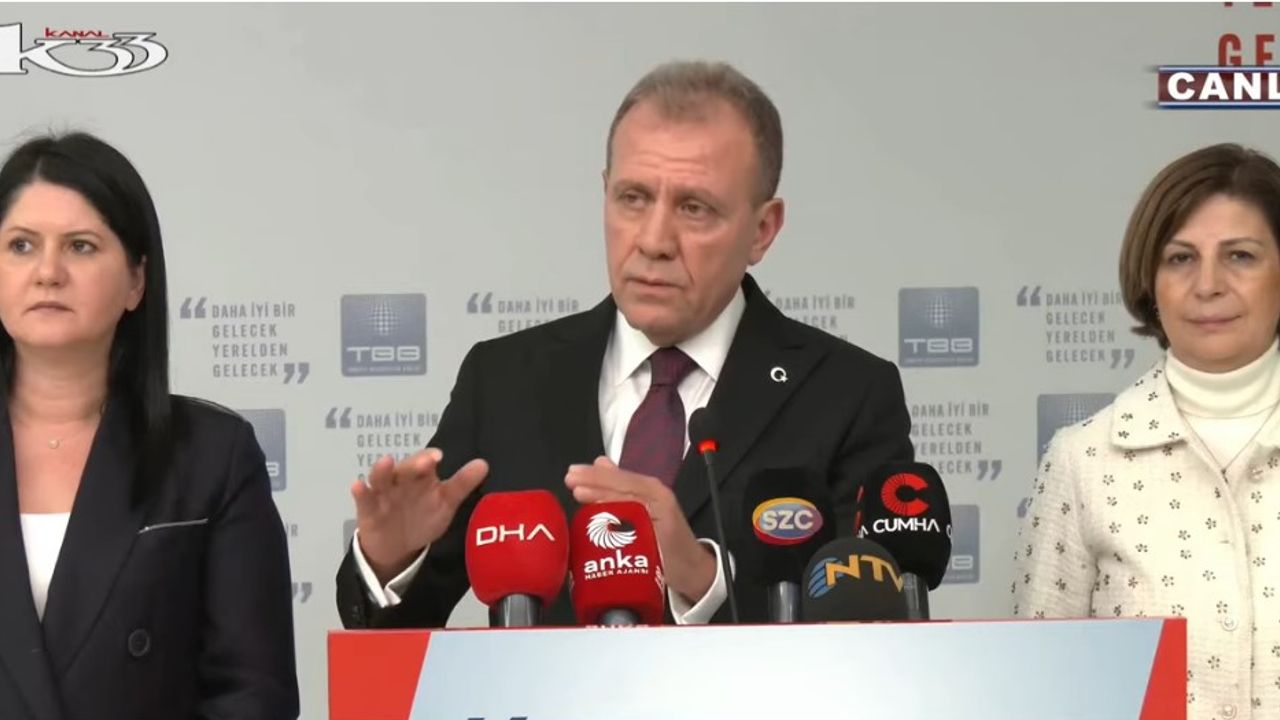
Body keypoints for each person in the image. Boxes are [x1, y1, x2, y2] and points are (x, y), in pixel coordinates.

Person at [335, 60, 914, 627]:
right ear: (605, 194)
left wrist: (700, 578)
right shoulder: (504, 379)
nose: (654, 240)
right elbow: (398, 637)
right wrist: (391, 560)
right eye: (633, 198)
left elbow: (871, 640)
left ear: (762, 230)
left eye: (694, 208)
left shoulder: (848, 396)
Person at [0, 133, 299, 719]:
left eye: (81, 246)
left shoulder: (211, 455)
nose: (48, 272)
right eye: (21, 245)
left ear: (136, 281)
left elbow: (253, 696)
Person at [1013, 143, 1280, 719]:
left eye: (1240, 256)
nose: (1208, 284)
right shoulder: (1084, 460)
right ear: (1150, 283)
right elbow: (1039, 691)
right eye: (1180, 258)